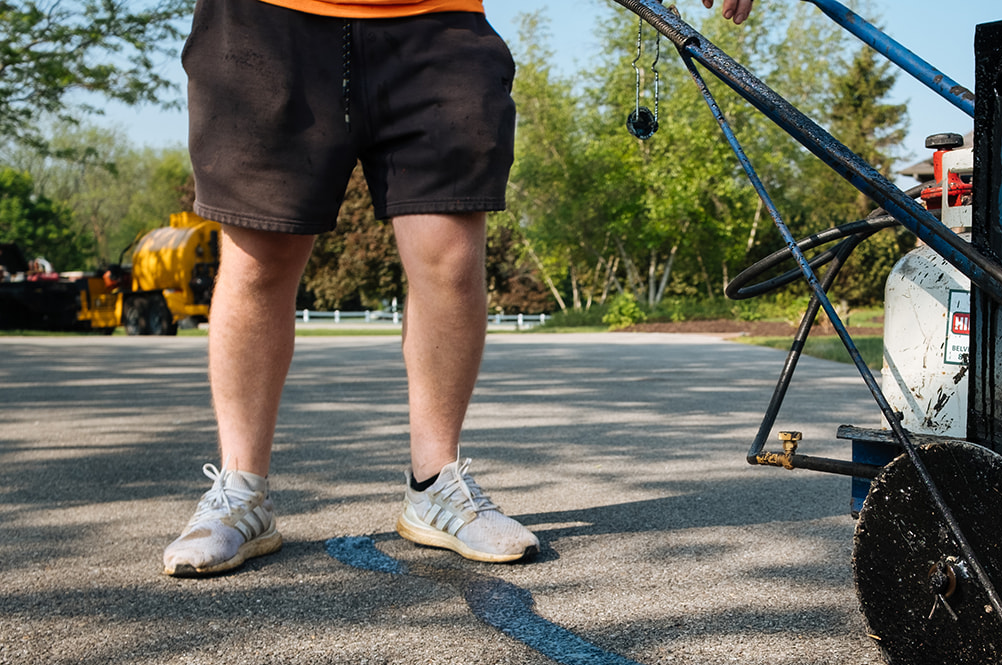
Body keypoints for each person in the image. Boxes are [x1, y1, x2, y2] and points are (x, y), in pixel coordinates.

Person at [163, 0, 757, 577]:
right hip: (267, 24)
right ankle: (241, 492)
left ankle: (433, 483)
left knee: (449, 258)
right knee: (259, 259)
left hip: (435, 22)